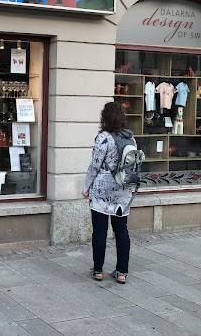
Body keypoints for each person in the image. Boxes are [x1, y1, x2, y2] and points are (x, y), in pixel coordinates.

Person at [82, 102, 133, 284]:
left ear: (104, 117)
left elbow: (95, 166)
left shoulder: (103, 138)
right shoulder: (130, 137)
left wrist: (86, 187)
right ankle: (122, 272)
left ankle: (98, 270)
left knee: (100, 230)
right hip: (123, 191)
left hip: (102, 191)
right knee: (121, 230)